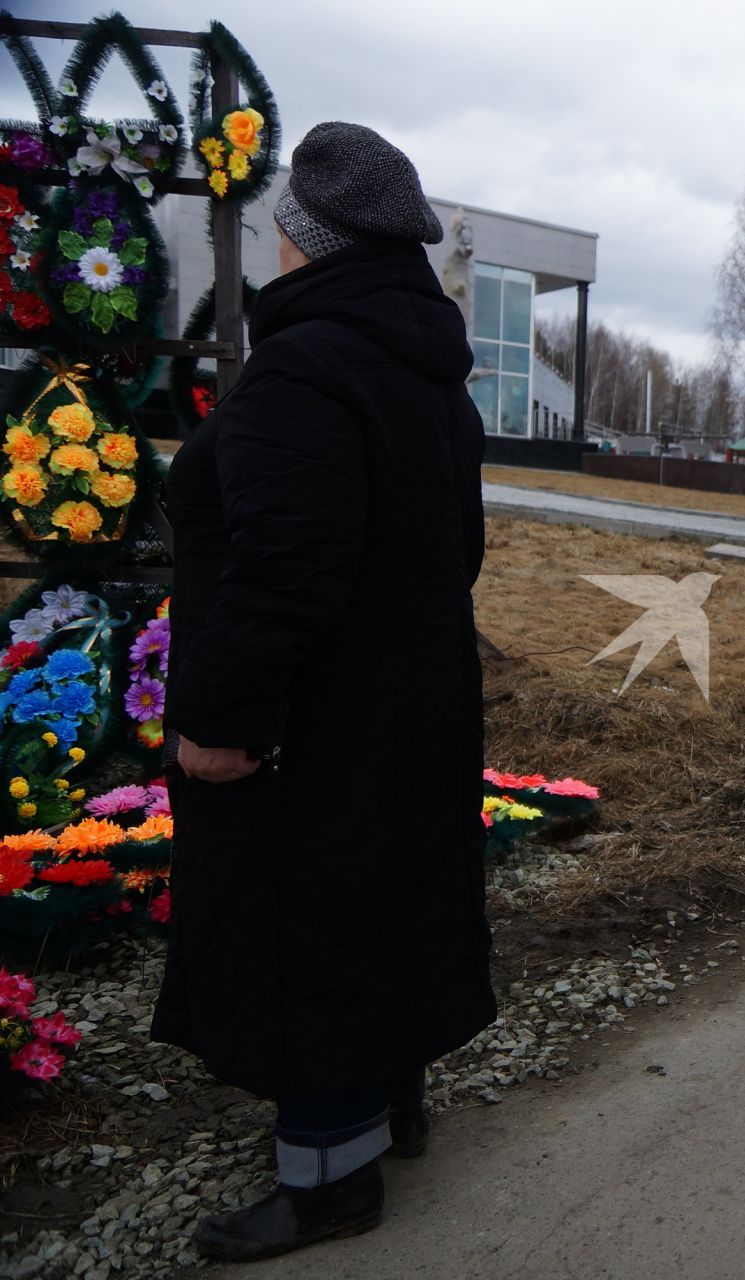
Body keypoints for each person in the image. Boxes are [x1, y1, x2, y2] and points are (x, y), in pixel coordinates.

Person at [152, 122, 496, 1262]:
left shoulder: (309, 364)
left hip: (315, 722)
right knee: (385, 900)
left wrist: (225, 716)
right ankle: (387, 1100)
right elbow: (460, 546)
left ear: (309, 243)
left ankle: (324, 1178)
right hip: (407, 700)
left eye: (283, 236)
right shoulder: (423, 368)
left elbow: (282, 565)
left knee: (311, 924)